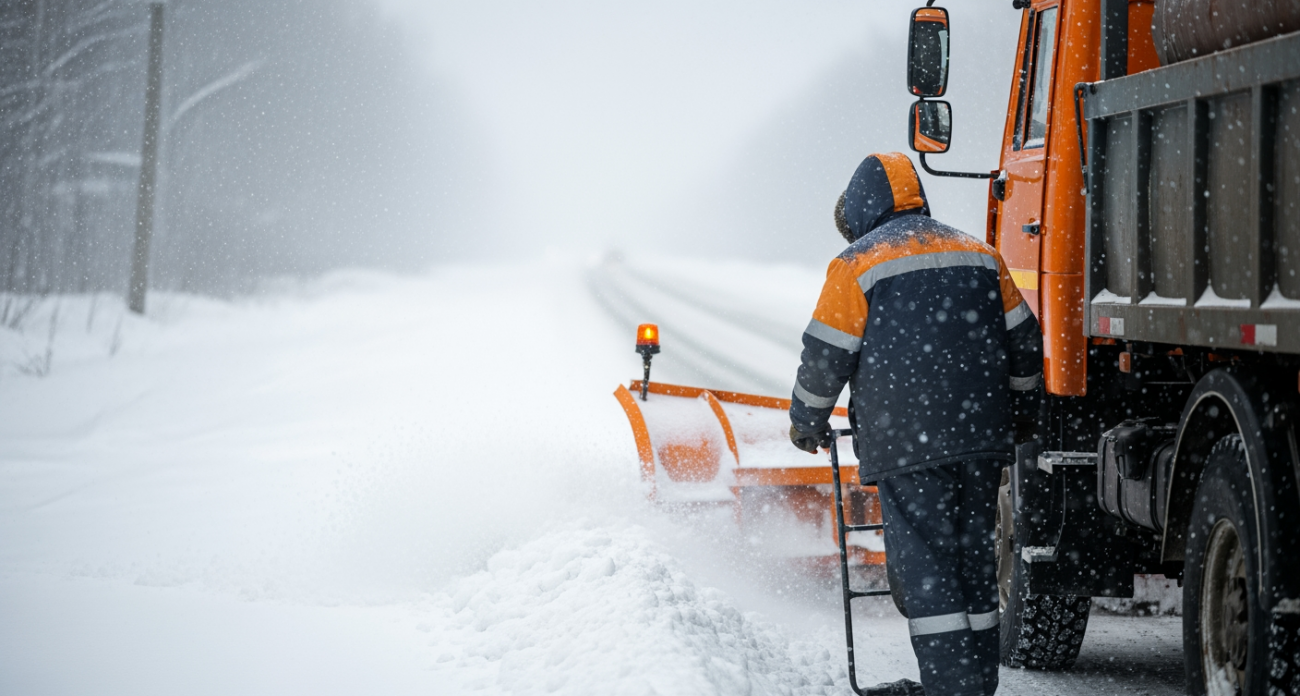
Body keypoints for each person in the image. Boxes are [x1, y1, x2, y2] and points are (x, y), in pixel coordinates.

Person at [787, 152, 1042, 696]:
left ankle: (950, 689)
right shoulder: (980, 253)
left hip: (907, 446)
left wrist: (806, 421)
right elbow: (1024, 339)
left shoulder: (856, 265)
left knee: (928, 573)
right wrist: (1022, 413)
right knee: (975, 560)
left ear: (860, 211)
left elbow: (826, 356)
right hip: (982, 441)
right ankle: (974, 685)